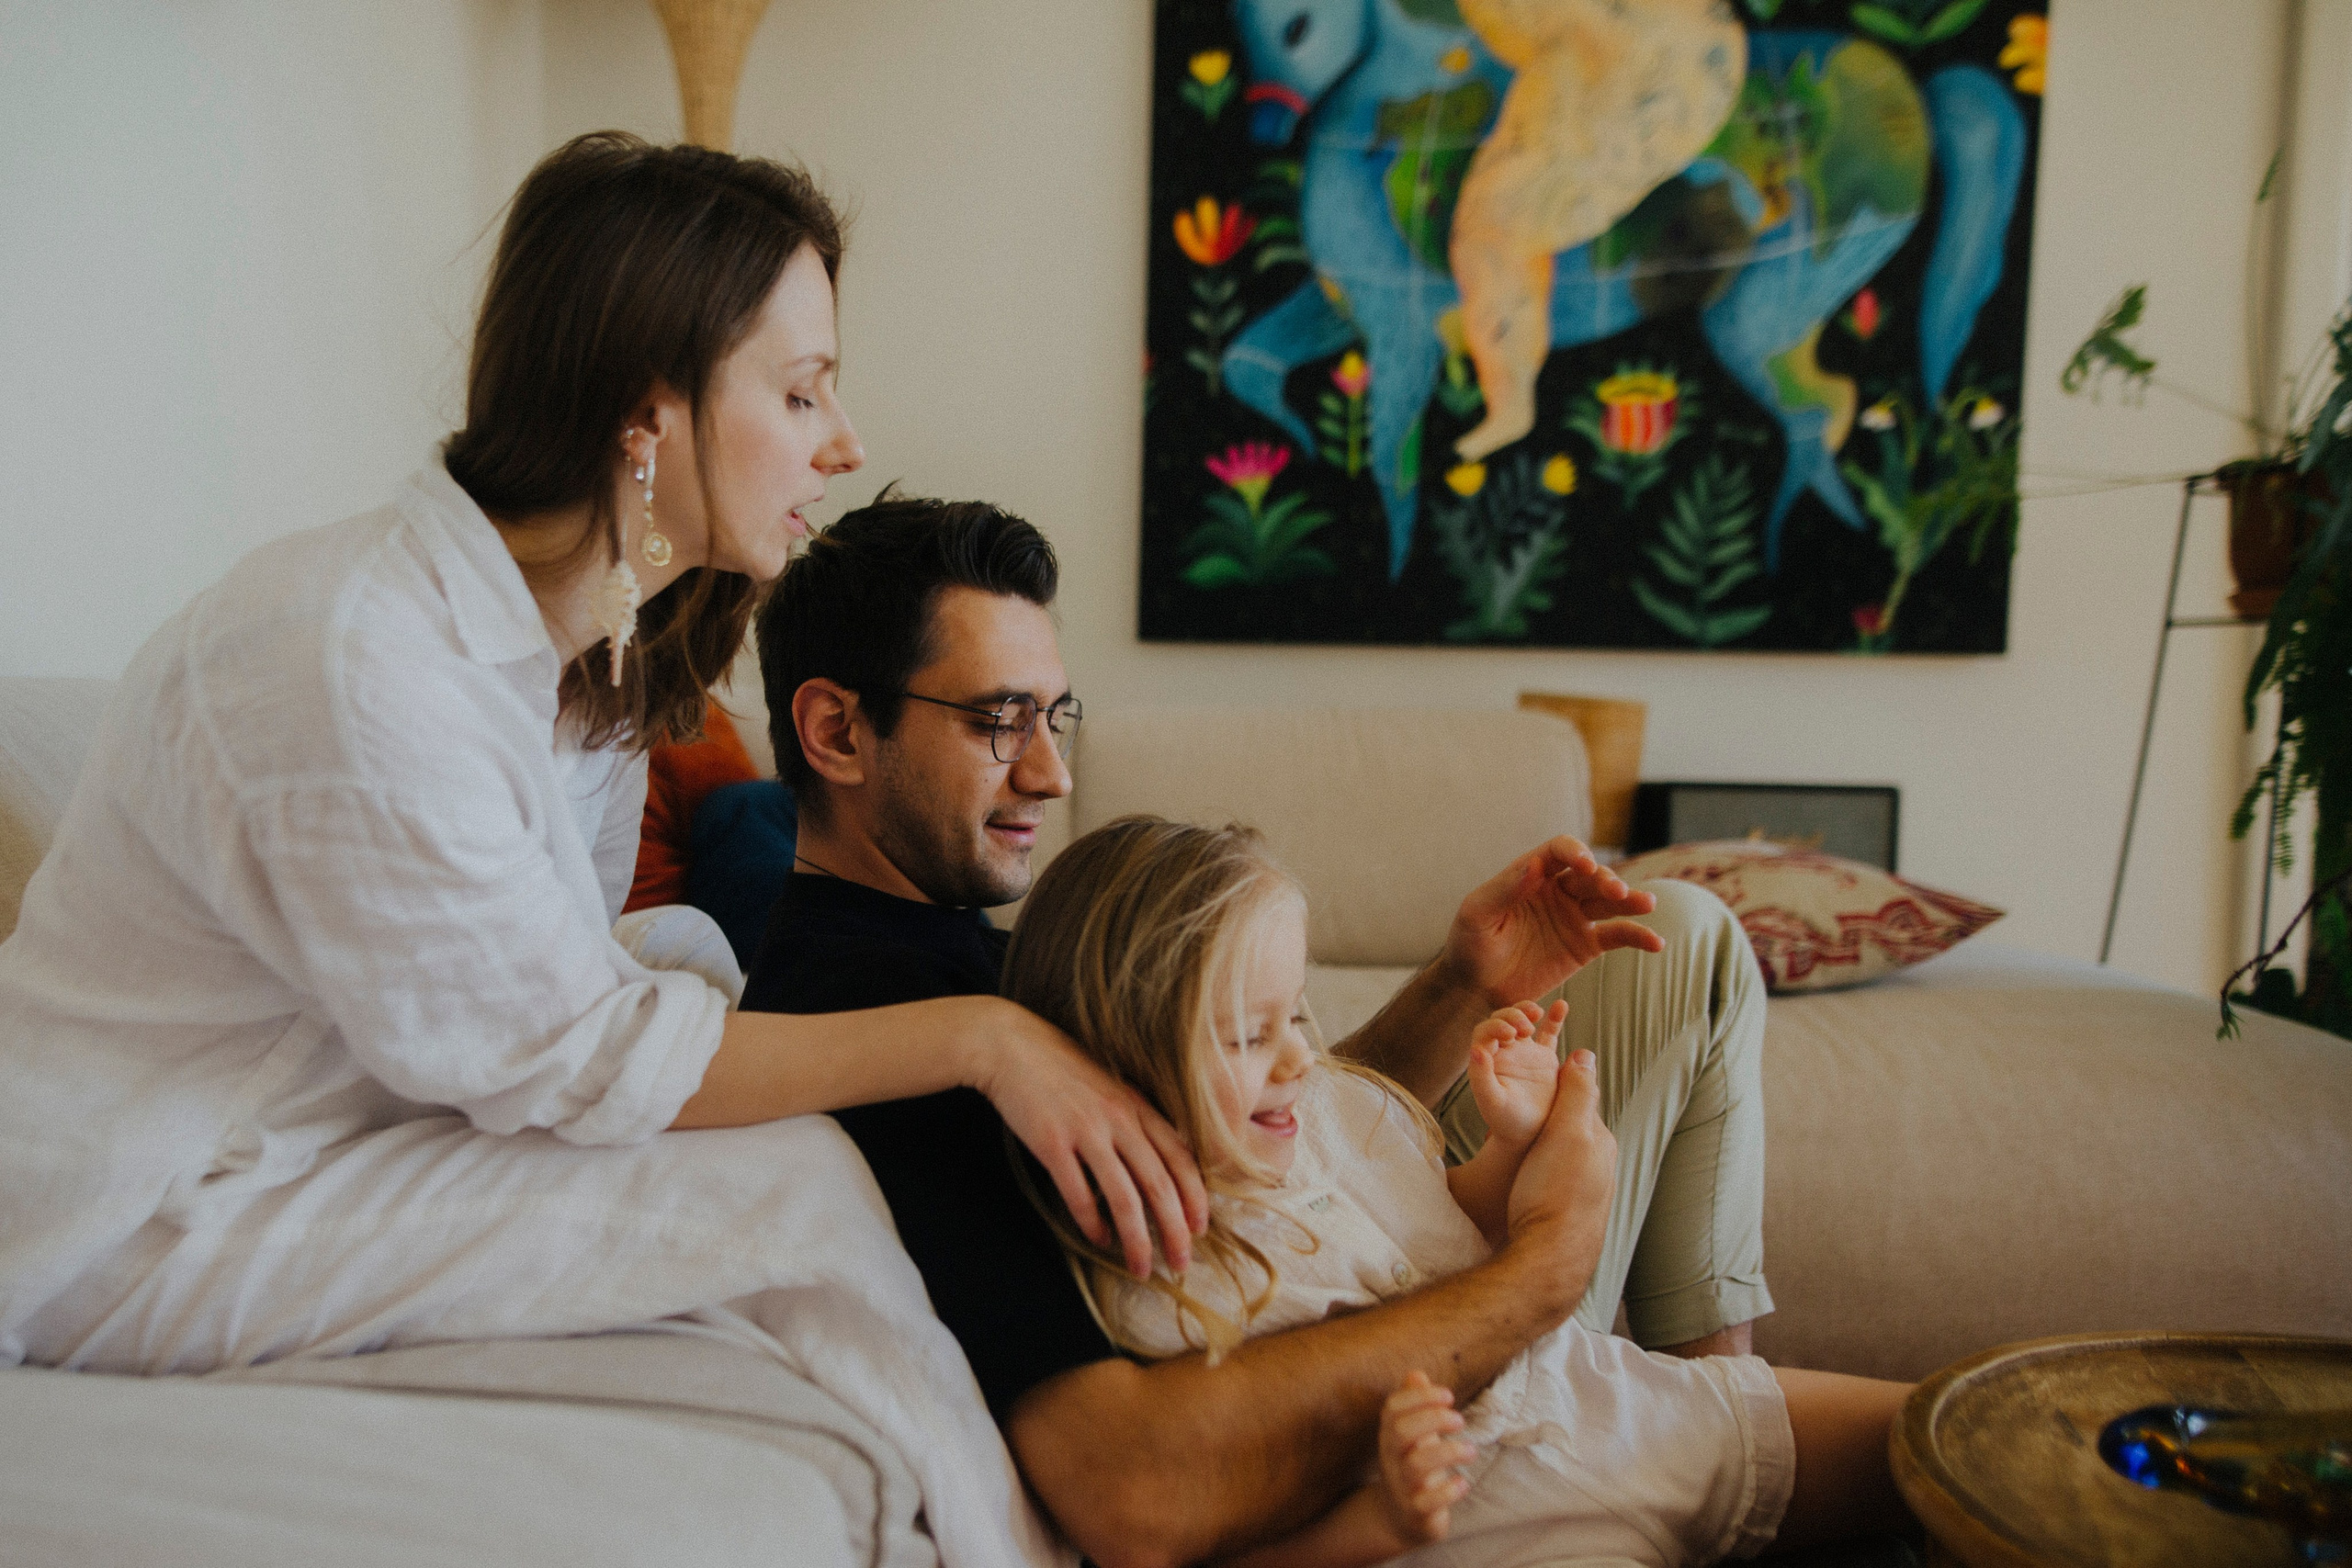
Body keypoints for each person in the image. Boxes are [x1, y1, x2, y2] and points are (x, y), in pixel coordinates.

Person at [0, 130, 1203, 1381]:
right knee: (792, 1196)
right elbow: (583, 1057)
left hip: (321, 1145)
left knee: (792, 1164)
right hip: (137, 1209)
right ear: (648, 411)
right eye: (800, 391)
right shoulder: (362, 661)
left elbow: (557, 1001)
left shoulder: (590, 659)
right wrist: (984, 1038)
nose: (842, 442)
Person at [741, 495, 1839, 1568]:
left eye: (1052, 716)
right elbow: (1130, 1487)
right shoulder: (890, 1028)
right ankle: (1705, 1440)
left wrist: (1463, 986)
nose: (1050, 771)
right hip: (1400, 1391)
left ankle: (1707, 1400)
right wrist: (1549, 1266)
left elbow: (1265, 1133)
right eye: (997, 721)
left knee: (1681, 935)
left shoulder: (958, 946)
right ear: (837, 730)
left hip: (1368, 1273)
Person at [1003, 815, 1916, 1568]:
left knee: (1967, 1439)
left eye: (1295, 1016)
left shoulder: (1323, 1112)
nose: (1295, 1059)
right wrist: (1379, 1526)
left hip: (1617, 1407)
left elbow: (1446, 1224)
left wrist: (1518, 1145)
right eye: (1246, 1036)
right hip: (1507, 1534)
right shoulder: (1163, 1289)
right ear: (1115, 1066)